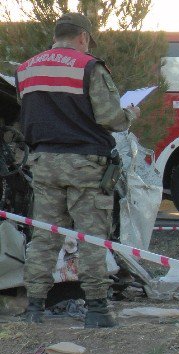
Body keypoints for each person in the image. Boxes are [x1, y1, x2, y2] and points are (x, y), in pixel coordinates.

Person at [16, 13, 140, 327]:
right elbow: (111, 118)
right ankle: (97, 310)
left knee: (44, 238)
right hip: (86, 164)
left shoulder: (26, 69)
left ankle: (34, 308)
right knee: (92, 238)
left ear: (56, 35)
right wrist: (130, 114)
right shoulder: (88, 66)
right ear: (83, 38)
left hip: (44, 163)